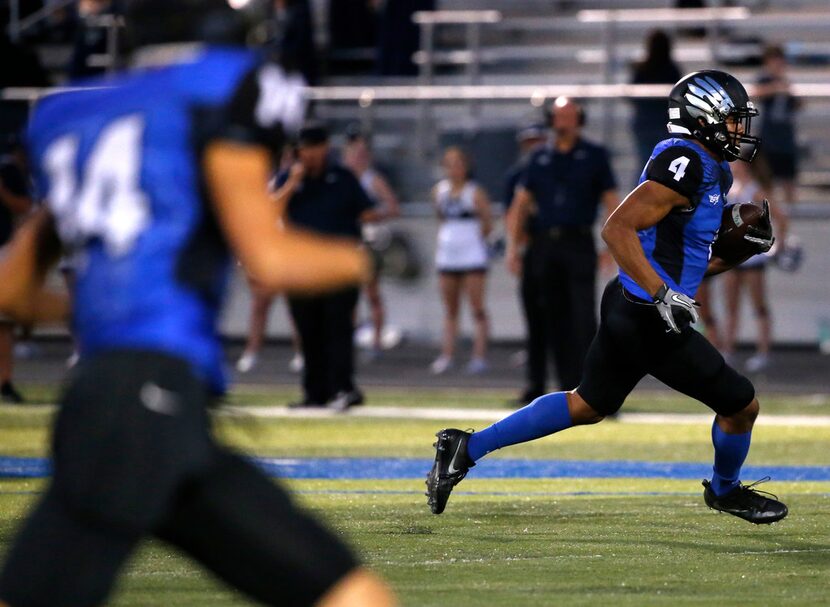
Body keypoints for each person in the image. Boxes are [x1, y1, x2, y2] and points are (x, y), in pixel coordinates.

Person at [0, 2, 396, 606]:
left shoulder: (79, 112)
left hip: (124, 406)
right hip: (144, 401)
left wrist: (110, 306)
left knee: (351, 594)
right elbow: (268, 257)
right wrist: (372, 260)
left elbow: (12, 293)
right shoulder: (210, 95)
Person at [427, 70, 787, 527]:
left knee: (587, 404)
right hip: (648, 316)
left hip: (631, 305)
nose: (740, 129)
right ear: (703, 117)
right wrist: (661, 295)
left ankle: (465, 447)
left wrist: (736, 253)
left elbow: (689, 268)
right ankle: (725, 490)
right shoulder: (686, 160)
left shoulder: (705, 166)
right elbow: (617, 227)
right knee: (741, 405)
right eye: (733, 119)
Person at [505, 97, 619, 394]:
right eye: (558, 116)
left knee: (583, 317)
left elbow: (611, 203)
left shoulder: (594, 155)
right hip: (543, 244)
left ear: (579, 119)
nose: (562, 122)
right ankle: (556, 386)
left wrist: (612, 245)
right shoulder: (539, 156)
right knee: (548, 315)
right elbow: (521, 204)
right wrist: (513, 248)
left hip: (578, 241)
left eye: (568, 116)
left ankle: (590, 385)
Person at [281, 121, 379, 410]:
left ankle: (344, 389)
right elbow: (270, 210)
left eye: (312, 148)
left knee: (337, 328)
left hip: (337, 265)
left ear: (324, 148)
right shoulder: (291, 179)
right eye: (303, 149)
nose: (307, 155)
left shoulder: (343, 177)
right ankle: (314, 392)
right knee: (307, 329)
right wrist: (291, 182)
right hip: (300, 266)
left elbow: (367, 212)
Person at [721, 157, 788, 373]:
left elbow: (780, 218)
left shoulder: (755, 190)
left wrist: (778, 246)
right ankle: (727, 350)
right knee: (731, 306)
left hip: (752, 258)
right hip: (731, 257)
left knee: (759, 305)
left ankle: (763, 352)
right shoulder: (728, 189)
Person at [430, 146, 493, 375]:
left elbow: (487, 222)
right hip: (448, 255)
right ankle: (447, 355)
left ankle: (479, 356)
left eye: (459, 164)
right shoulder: (439, 191)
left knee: (477, 307)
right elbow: (440, 217)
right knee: (450, 309)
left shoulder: (474, 192)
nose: (455, 169)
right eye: (450, 164)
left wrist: (473, 242)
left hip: (472, 254)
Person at [342, 126, 401, 360]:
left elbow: (393, 207)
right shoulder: (342, 177)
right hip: (346, 240)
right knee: (347, 297)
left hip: (368, 241)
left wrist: (371, 216)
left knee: (372, 293)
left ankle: (376, 341)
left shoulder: (372, 179)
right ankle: (348, 340)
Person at [503, 120, 548, 403]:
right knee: (535, 321)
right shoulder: (517, 175)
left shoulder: (556, 167)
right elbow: (513, 215)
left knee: (568, 321)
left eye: (537, 141)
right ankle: (535, 382)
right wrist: (515, 249)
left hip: (556, 246)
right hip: (532, 249)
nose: (533, 148)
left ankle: (575, 382)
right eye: (528, 143)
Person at [0, 135, 33, 403]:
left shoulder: (9, 172)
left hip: (3, 248)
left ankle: (4, 381)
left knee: (4, 322)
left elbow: (23, 206)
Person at [630, 29, 683, 169]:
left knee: (645, 165)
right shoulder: (672, 70)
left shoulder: (641, 69)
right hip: (664, 124)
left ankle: (641, 190)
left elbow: (631, 96)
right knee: (665, 168)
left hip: (645, 124)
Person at [756, 44, 800, 207]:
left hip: (786, 139)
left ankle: (791, 220)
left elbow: (798, 104)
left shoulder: (787, 81)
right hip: (769, 139)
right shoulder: (765, 80)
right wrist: (775, 88)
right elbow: (755, 93)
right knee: (767, 184)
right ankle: (770, 218)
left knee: (789, 182)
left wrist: (789, 91)